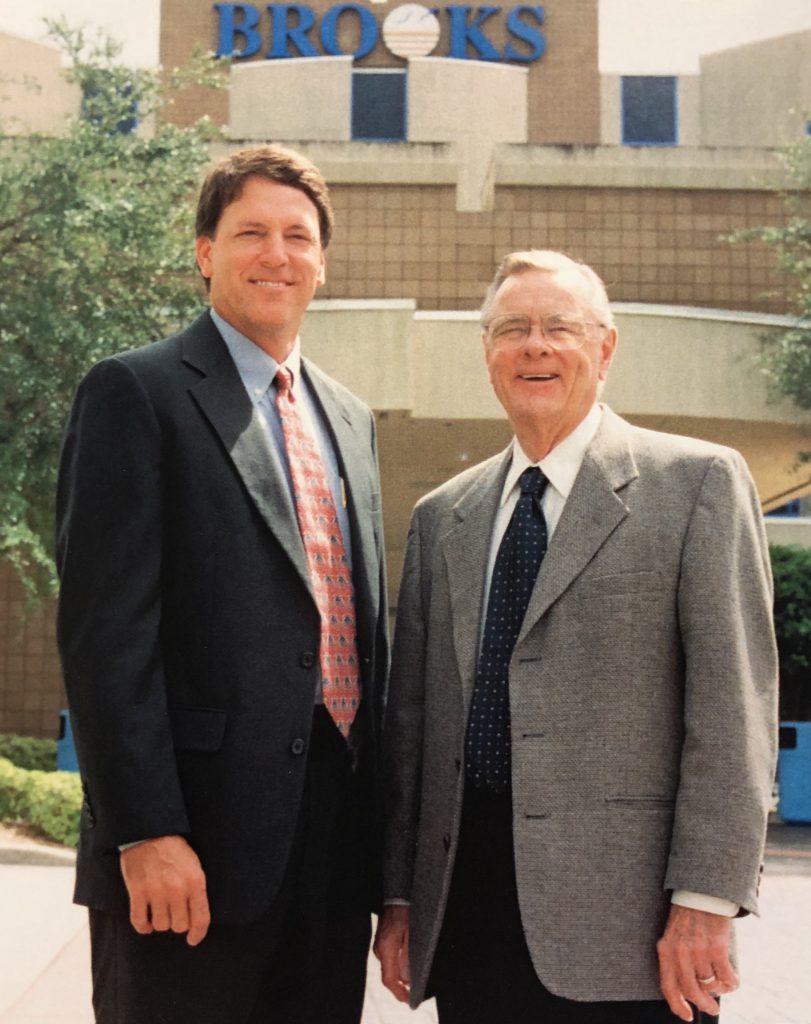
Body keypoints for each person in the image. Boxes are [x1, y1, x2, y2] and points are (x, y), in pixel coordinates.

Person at [373, 250, 777, 1024]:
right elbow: (413, 731)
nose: (534, 346)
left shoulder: (696, 485)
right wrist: (399, 894)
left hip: (634, 935)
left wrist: (705, 899)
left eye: (559, 327)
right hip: (467, 920)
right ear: (486, 353)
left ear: (604, 347)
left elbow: (735, 713)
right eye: (511, 329)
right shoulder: (441, 519)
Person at [56, 144, 388, 1024]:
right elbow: (104, 638)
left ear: (322, 259)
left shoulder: (349, 418)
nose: (275, 255)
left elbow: (362, 633)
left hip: (329, 855)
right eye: (250, 232)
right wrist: (145, 829)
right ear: (205, 251)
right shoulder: (136, 392)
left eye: (297, 235)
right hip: (187, 853)